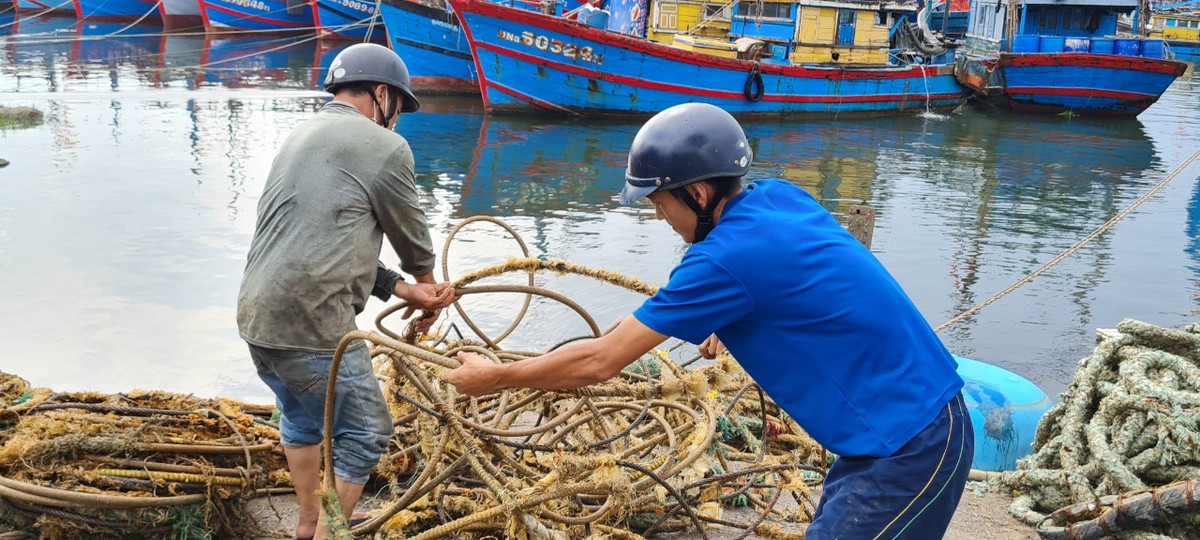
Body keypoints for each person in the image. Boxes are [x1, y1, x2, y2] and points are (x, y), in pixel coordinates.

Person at [443, 102, 974, 539]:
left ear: (697, 194)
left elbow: (601, 360)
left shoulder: (724, 261)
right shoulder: (779, 198)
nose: (656, 216)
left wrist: (495, 377)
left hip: (910, 446)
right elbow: (803, 275)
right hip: (904, 428)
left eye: (658, 202)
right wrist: (733, 312)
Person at [237, 43, 455, 540]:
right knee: (367, 430)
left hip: (258, 316)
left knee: (300, 417)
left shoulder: (299, 134)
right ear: (382, 94)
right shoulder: (384, 146)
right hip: (312, 321)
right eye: (397, 107)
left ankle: (308, 523)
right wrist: (427, 288)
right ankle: (331, 532)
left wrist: (398, 288)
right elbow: (410, 232)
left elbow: (329, 240)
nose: (397, 122)